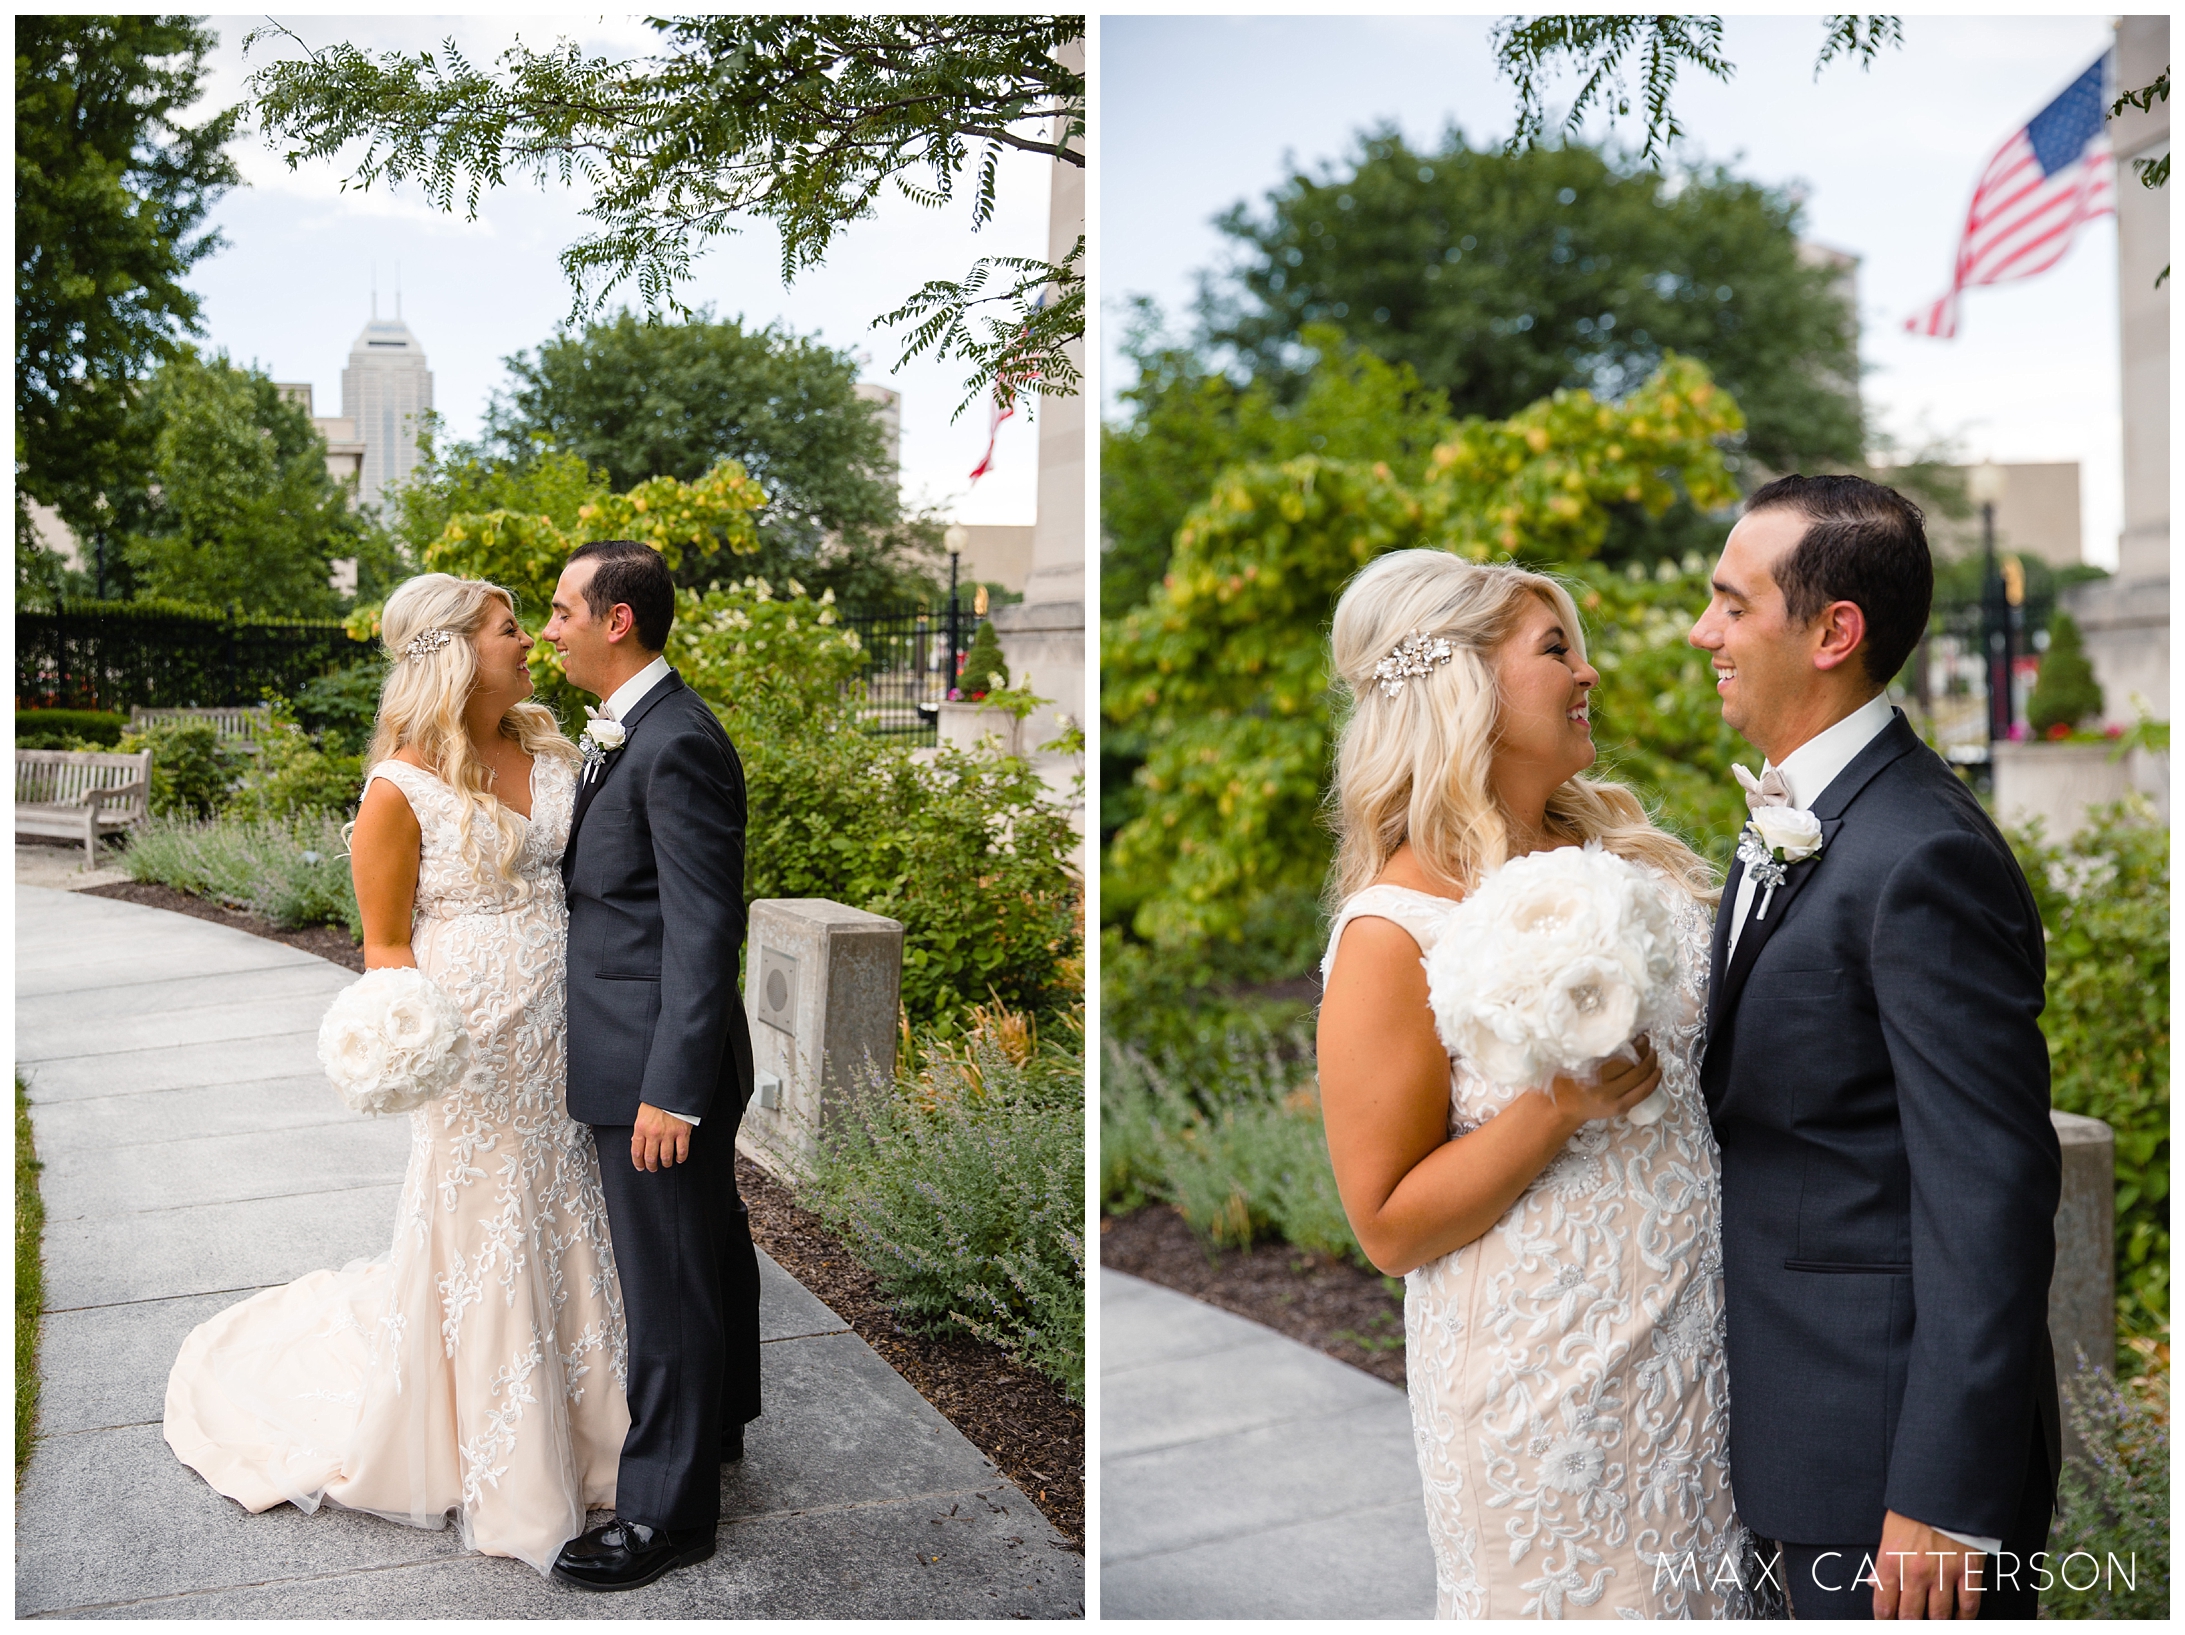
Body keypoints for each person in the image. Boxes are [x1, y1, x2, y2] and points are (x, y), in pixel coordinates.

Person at [1316, 548, 1764, 1619]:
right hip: (1540, 1393)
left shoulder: (1625, 863)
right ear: (1463, 684)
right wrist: (1557, 1107)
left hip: (1694, 1363)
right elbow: (1386, 1227)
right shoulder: (1392, 930)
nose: (1586, 675)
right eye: (1556, 649)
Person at [163, 573, 629, 1576]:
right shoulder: (397, 789)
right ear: (456, 653)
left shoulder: (550, 749)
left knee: (565, 1205)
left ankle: (598, 1434)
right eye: (511, 631)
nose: (529, 645)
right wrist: (415, 1043)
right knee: (490, 1218)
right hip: (475, 1050)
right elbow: (384, 951)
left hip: (566, 1032)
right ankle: (508, 1462)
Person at [1688, 474, 2060, 1620]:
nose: (1704, 631)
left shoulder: (1919, 856)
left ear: (1832, 632)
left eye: (1731, 604)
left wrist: (1942, 1493)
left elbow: (1989, 1189)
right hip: (1793, 1435)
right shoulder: (1808, 818)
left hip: (1886, 1478)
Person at [540, 539, 762, 1593]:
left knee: (666, 1284)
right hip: (645, 1054)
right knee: (707, 1249)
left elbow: (704, 927)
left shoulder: (674, 740)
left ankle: (666, 1515)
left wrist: (670, 1088)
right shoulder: (636, 729)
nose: (551, 629)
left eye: (562, 611)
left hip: (654, 1071)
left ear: (615, 620)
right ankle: (717, 1426)